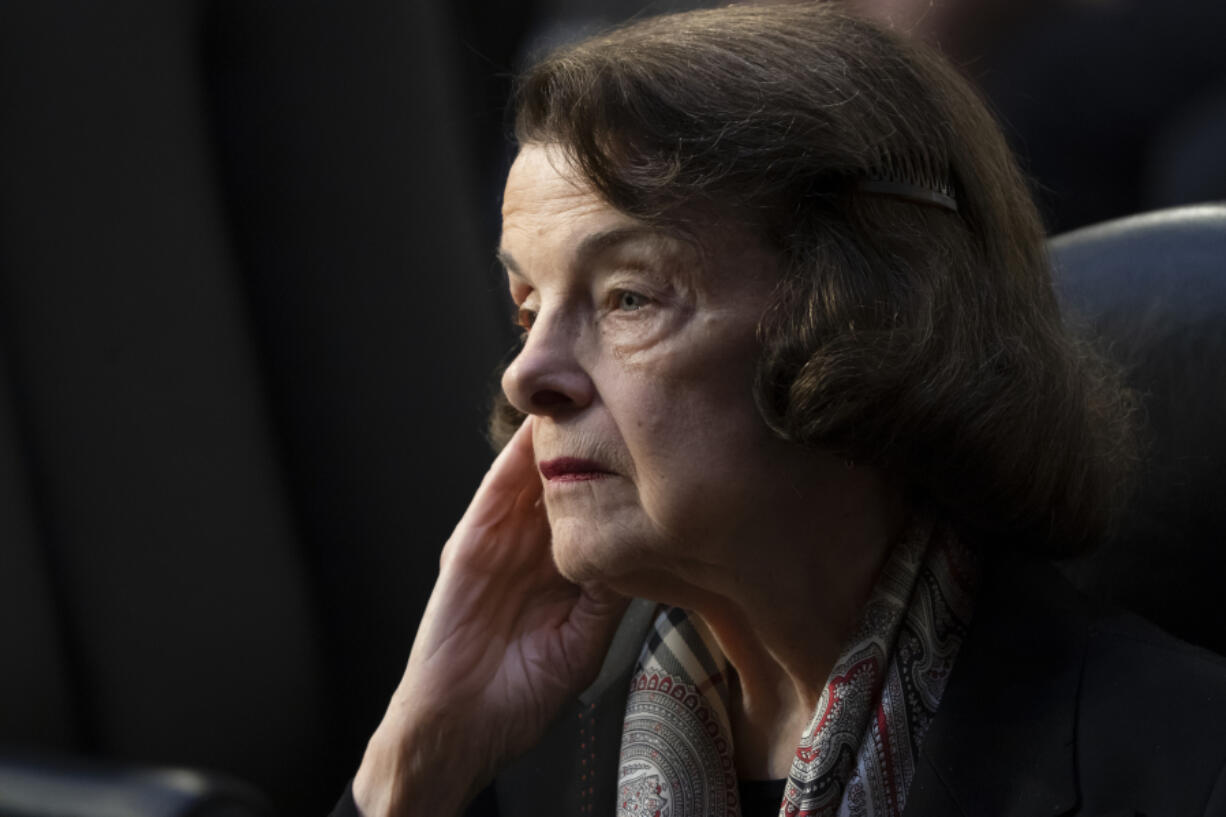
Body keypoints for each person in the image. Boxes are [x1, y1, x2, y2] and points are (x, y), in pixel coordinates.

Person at [335, 5, 1226, 816]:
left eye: (628, 298)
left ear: (868, 321)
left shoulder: (1180, 763)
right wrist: (412, 765)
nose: (526, 376)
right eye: (528, 310)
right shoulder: (517, 767)